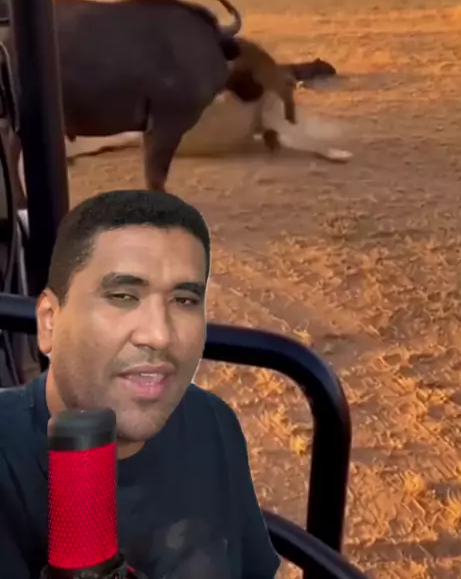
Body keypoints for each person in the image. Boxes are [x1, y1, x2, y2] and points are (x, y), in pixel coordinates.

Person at [0, 189, 280, 579]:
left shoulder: (212, 421)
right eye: (123, 296)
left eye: (184, 300)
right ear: (50, 321)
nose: (159, 335)